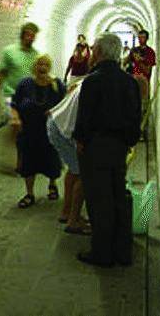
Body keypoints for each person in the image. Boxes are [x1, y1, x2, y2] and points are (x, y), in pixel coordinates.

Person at [73, 33, 141, 267]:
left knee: (99, 200)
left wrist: (80, 141)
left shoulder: (92, 81)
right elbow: (135, 117)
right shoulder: (129, 81)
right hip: (119, 147)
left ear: (100, 52)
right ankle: (122, 251)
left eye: (93, 49)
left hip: (96, 147)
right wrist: (129, 141)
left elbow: (85, 118)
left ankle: (102, 253)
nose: (91, 53)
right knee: (117, 196)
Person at [11, 54, 66, 208]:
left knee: (52, 161)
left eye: (45, 65)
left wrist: (56, 114)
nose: (42, 67)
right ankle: (30, 194)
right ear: (34, 67)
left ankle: (52, 184)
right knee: (28, 162)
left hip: (50, 131)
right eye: (39, 64)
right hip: (29, 131)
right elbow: (14, 104)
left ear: (49, 67)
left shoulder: (57, 85)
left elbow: (65, 104)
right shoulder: (25, 84)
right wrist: (16, 118)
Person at [0, 22, 40, 171]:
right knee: (16, 124)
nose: (30, 38)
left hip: (29, 97)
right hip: (11, 94)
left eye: (33, 36)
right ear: (22, 34)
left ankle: (18, 155)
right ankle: (19, 161)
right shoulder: (10, 52)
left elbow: (37, 76)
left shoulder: (36, 55)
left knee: (23, 130)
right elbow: (2, 74)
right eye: (28, 34)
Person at [47, 78, 90, 234]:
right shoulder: (98, 85)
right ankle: (73, 219)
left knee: (74, 169)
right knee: (82, 173)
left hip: (57, 123)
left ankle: (67, 213)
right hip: (62, 129)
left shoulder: (89, 79)